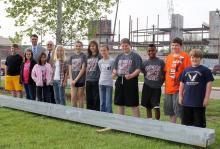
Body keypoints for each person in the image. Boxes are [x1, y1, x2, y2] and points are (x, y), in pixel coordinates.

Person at [179, 49, 214, 128]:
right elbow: (181, 84)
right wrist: (180, 96)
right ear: (190, 58)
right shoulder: (186, 70)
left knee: (199, 123)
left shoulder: (205, 70)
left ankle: (199, 139)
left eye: (197, 57)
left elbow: (209, 84)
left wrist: (206, 98)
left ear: (200, 58)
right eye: (192, 57)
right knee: (186, 123)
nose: (194, 59)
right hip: (187, 101)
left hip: (199, 102)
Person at [112, 38, 142, 117]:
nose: (124, 47)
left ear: (130, 46)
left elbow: (138, 69)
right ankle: (121, 122)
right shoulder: (119, 56)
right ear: (120, 46)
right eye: (123, 46)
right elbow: (115, 68)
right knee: (120, 102)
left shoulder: (135, 56)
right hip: (120, 80)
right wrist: (115, 72)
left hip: (131, 81)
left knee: (133, 103)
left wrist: (131, 75)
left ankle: (137, 122)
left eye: (126, 45)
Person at [164, 37, 191, 123]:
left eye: (176, 45)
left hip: (179, 89)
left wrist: (185, 89)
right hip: (168, 89)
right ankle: (173, 130)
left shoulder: (185, 56)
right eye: (172, 45)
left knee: (180, 112)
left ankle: (183, 129)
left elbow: (188, 72)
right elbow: (166, 71)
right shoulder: (168, 57)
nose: (174, 47)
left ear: (181, 46)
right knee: (171, 112)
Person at [141, 44, 165, 120]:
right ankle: (149, 123)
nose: (151, 52)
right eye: (149, 51)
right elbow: (144, 72)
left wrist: (160, 83)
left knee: (156, 106)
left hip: (156, 88)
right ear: (147, 52)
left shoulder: (161, 62)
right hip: (147, 86)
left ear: (156, 51)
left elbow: (164, 74)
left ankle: (157, 123)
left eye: (153, 50)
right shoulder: (145, 63)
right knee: (148, 106)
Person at [69, 41, 87, 108]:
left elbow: (83, 69)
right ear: (74, 46)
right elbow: (70, 69)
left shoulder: (84, 56)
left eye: (79, 46)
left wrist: (76, 80)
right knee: (73, 97)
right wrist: (71, 80)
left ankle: (81, 113)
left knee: (80, 97)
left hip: (80, 80)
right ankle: (74, 113)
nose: (78, 47)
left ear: (81, 47)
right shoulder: (71, 56)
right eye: (76, 46)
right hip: (73, 80)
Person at [98, 45, 114, 113]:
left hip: (109, 84)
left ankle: (109, 117)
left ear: (108, 51)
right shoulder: (100, 62)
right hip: (101, 83)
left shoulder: (112, 61)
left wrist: (111, 77)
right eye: (101, 50)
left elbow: (114, 71)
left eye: (104, 50)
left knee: (108, 103)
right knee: (102, 103)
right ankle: (102, 117)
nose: (103, 52)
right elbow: (101, 71)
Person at [86, 40, 101, 111]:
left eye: (94, 46)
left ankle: (96, 112)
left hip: (96, 80)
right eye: (91, 46)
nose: (92, 47)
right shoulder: (88, 56)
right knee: (89, 97)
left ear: (97, 47)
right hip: (88, 79)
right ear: (89, 47)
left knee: (96, 97)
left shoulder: (100, 56)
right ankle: (89, 111)